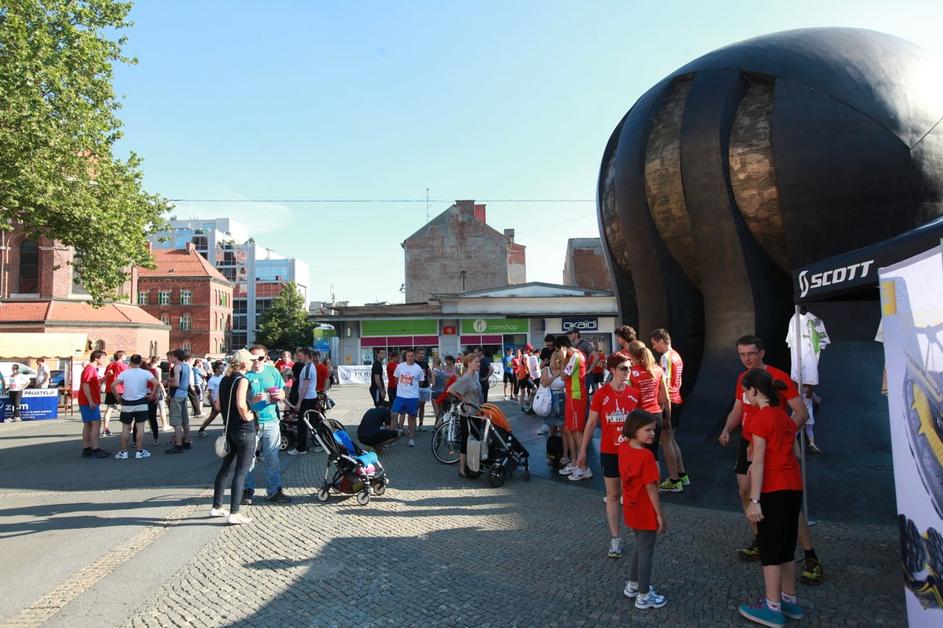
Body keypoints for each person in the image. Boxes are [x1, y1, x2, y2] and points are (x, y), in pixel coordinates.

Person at [718, 335, 824, 585]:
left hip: (773, 447)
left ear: (762, 353)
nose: (746, 359)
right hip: (749, 443)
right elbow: (738, 409)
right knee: (745, 492)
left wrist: (784, 437)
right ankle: (762, 540)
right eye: (742, 354)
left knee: (785, 502)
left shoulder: (778, 377)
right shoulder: (742, 379)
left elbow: (801, 412)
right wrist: (726, 429)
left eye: (751, 354)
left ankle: (810, 556)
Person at [737, 368, 805, 627]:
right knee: (786, 548)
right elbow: (795, 453)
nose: (745, 396)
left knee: (770, 550)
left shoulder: (760, 419)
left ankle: (772, 606)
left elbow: (759, 462)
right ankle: (789, 600)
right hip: (793, 486)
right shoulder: (785, 417)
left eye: (746, 392)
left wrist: (754, 501)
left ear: (755, 391)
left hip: (772, 489)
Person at [577, 354, 642, 557]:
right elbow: (591, 424)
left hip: (631, 453)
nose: (628, 372)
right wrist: (582, 451)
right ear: (612, 370)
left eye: (629, 368)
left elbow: (642, 425)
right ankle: (615, 538)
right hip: (610, 452)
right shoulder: (601, 394)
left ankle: (639, 533)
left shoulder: (635, 393)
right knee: (613, 495)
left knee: (633, 494)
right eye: (623, 368)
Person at [619, 409, 667, 610]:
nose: (652, 434)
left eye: (653, 430)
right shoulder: (646, 456)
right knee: (646, 551)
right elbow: (651, 488)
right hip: (645, 510)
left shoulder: (623, 447)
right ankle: (644, 595)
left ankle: (633, 585)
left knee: (641, 547)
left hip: (631, 507)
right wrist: (660, 515)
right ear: (635, 429)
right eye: (648, 430)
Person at [210, 349, 258, 525]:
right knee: (241, 471)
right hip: (244, 429)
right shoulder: (242, 380)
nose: (253, 362)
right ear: (244, 362)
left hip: (229, 428)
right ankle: (234, 512)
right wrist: (248, 416)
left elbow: (218, 405)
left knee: (226, 469)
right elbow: (241, 404)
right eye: (251, 360)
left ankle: (216, 506)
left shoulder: (225, 379)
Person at [243, 345, 292, 505]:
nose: (257, 361)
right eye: (253, 358)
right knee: (248, 458)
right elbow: (239, 401)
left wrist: (279, 395)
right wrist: (252, 400)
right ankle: (247, 490)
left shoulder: (272, 371)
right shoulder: (245, 375)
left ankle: (274, 491)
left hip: (271, 420)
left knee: (272, 458)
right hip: (251, 421)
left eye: (260, 358)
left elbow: (283, 392)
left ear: (266, 358)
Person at [650, 329, 689, 492]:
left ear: (661, 341)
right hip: (677, 399)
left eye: (654, 344)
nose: (654, 347)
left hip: (669, 402)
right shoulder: (677, 356)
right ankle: (682, 475)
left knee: (666, 441)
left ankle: (674, 480)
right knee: (671, 440)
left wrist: (661, 405)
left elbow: (663, 384)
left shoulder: (665, 357)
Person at [628, 341, 669, 463]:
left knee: (639, 454)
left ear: (632, 355)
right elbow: (666, 398)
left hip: (640, 418)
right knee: (653, 454)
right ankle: (654, 476)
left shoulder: (631, 373)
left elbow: (628, 398)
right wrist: (668, 419)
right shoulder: (658, 370)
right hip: (657, 416)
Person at [111, 354, 157, 460]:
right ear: (140, 362)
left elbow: (112, 385)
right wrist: (152, 395)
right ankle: (139, 451)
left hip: (127, 403)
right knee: (140, 427)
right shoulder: (146, 373)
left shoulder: (125, 373)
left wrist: (117, 397)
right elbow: (156, 383)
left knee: (125, 428)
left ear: (130, 363)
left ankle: (124, 452)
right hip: (141, 402)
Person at [557, 335, 591, 480]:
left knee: (577, 431)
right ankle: (575, 462)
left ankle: (584, 468)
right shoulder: (574, 356)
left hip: (577, 397)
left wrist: (561, 360)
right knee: (568, 429)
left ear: (562, 348)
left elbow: (563, 376)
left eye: (558, 350)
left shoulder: (575, 356)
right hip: (572, 396)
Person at [447, 353, 482, 477]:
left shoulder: (475, 375)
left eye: (479, 361)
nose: (478, 363)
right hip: (467, 413)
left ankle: (472, 465)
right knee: (467, 439)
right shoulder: (466, 378)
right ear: (469, 363)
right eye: (476, 362)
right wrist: (462, 398)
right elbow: (450, 389)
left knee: (475, 439)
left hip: (476, 412)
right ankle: (462, 469)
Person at [79, 350, 110, 458]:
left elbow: (95, 382)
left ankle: (87, 448)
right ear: (96, 358)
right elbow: (85, 385)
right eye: (103, 358)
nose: (104, 360)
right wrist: (90, 400)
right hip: (89, 401)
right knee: (96, 423)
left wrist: (106, 377)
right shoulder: (90, 369)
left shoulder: (92, 369)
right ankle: (96, 449)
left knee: (88, 424)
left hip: (87, 400)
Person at [391, 348, 424, 447]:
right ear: (405, 357)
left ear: (415, 356)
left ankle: (411, 438)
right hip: (400, 396)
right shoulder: (400, 366)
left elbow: (421, 382)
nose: (410, 358)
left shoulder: (418, 368)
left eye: (412, 356)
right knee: (394, 415)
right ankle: (391, 438)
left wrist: (412, 388)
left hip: (413, 397)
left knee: (412, 417)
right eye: (408, 356)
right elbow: (396, 379)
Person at [287, 348, 317, 455]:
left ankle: (301, 449)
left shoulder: (308, 367)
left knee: (302, 424)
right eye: (298, 356)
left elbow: (305, 386)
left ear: (307, 356)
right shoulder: (309, 366)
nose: (298, 358)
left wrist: (299, 402)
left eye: (300, 356)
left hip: (307, 398)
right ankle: (315, 444)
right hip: (310, 397)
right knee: (310, 422)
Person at [165, 349, 192, 454]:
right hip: (184, 394)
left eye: (171, 356)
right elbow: (183, 381)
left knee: (176, 421)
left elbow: (176, 383)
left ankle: (178, 444)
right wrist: (170, 380)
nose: (170, 358)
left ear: (175, 356)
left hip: (176, 395)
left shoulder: (177, 367)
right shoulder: (186, 366)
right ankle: (187, 440)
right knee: (185, 420)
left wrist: (167, 383)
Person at [102, 351, 128, 436]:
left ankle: (105, 429)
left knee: (109, 409)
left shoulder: (110, 365)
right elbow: (126, 377)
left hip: (110, 389)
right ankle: (128, 427)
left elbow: (106, 376)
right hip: (120, 389)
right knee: (125, 408)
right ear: (121, 356)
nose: (126, 357)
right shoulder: (123, 366)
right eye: (125, 355)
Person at [197, 361, 225, 436]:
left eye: (223, 368)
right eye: (221, 368)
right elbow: (210, 394)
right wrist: (214, 405)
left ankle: (226, 430)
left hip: (222, 400)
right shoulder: (212, 380)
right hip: (216, 401)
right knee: (212, 417)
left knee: (225, 416)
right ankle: (201, 430)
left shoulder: (223, 377)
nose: (223, 369)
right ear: (216, 369)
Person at [415, 348, 433, 431]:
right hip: (417, 387)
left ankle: (421, 424)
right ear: (416, 354)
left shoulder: (425, 363)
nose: (421, 355)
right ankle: (413, 424)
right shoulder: (414, 364)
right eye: (420, 353)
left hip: (425, 386)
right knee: (416, 406)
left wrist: (430, 383)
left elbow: (428, 375)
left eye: (423, 353)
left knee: (422, 405)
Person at [430, 357, 447, 421]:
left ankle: (437, 424)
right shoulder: (443, 372)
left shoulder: (434, 372)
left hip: (435, 392)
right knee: (441, 410)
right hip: (442, 392)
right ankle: (442, 423)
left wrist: (430, 381)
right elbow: (445, 384)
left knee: (436, 411)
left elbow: (433, 383)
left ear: (434, 363)